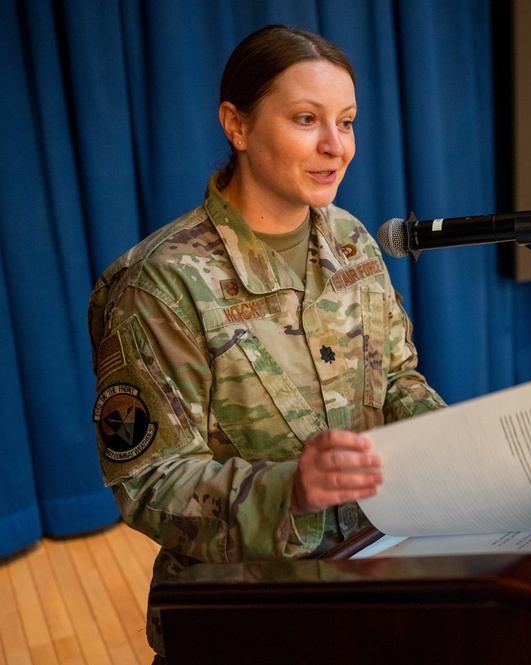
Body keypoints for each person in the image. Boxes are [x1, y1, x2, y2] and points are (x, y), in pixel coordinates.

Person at [87, 24, 446, 659]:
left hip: (371, 577)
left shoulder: (355, 242)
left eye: (347, 121)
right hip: (241, 613)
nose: (335, 146)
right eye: (307, 119)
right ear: (238, 126)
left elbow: (397, 380)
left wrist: (451, 445)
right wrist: (291, 491)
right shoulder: (161, 284)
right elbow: (148, 481)